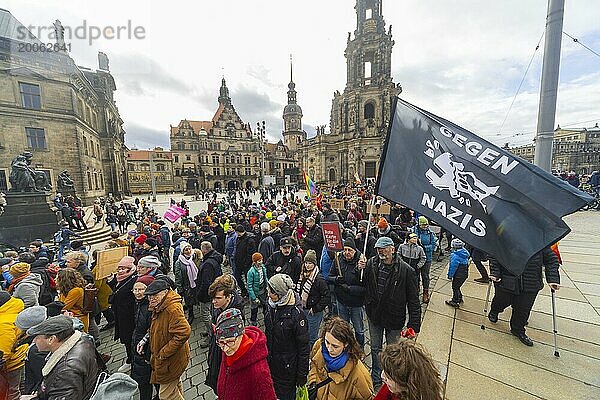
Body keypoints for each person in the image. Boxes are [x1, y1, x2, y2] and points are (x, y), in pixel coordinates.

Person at [360, 236, 421, 387]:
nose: (380, 251)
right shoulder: (371, 263)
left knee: (392, 352)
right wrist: (359, 268)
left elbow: (413, 300)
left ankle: (390, 377)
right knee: (375, 347)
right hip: (374, 315)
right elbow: (361, 282)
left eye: (384, 248)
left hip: (394, 318)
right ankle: (376, 376)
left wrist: (414, 324)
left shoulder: (406, 271)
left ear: (393, 249)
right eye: (378, 249)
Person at [488, 246, 560, 346]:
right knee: (501, 301)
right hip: (506, 280)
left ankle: (518, 330)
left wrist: (553, 279)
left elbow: (552, 260)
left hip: (530, 283)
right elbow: (494, 254)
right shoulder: (505, 237)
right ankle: (495, 310)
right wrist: (495, 272)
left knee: (523, 309)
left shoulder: (538, 242)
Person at [26, 315, 100, 400]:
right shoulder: (82, 339)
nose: (34, 341)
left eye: (37, 337)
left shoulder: (65, 370)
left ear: (51, 339)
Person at [215, 308, 277, 400]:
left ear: (241, 334)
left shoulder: (259, 372)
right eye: (221, 342)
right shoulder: (229, 350)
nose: (225, 349)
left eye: (230, 342)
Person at [265, 273, 310, 400]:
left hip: (287, 369)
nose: (268, 294)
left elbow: (304, 348)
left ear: (280, 294)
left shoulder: (297, 315)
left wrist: (302, 375)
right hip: (272, 362)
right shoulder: (270, 305)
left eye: (271, 292)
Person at [308, 316, 373, 400]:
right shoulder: (319, 345)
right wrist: (312, 381)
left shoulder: (359, 374)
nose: (329, 349)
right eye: (327, 342)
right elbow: (314, 364)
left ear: (345, 344)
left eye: (335, 346)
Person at [146, 279, 191, 400]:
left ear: (165, 292)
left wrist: (163, 353)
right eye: (149, 296)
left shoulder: (172, 309)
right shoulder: (160, 305)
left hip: (170, 359)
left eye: (155, 295)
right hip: (170, 360)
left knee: (165, 395)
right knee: (175, 385)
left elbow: (184, 332)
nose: (151, 299)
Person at [206, 274, 246, 393]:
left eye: (218, 298)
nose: (213, 301)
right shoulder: (217, 305)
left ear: (228, 297)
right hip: (216, 346)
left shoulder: (236, 312)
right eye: (213, 298)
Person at [328, 238, 367, 347]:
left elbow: (365, 287)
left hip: (356, 303)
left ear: (355, 250)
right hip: (342, 302)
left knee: (358, 329)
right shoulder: (338, 259)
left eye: (350, 250)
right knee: (343, 328)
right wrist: (336, 279)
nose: (347, 253)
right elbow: (329, 277)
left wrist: (349, 289)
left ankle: (360, 348)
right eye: (345, 250)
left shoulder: (361, 262)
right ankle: (345, 346)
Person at [374, 340, 443, 400]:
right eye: (384, 370)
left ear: (406, 383)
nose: (382, 376)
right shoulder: (393, 385)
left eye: (388, 377)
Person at [108, 256, 138, 373]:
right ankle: (131, 358)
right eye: (119, 268)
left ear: (130, 269)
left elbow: (121, 293)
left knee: (129, 337)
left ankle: (132, 360)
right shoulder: (120, 279)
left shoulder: (133, 279)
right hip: (120, 314)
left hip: (129, 315)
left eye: (124, 268)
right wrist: (111, 281)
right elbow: (117, 291)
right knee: (126, 338)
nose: (120, 271)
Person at [295, 249, 329, 348]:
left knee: (312, 337)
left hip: (313, 312)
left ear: (314, 264)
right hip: (303, 309)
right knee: (304, 333)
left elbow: (326, 296)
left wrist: (316, 308)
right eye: (306, 263)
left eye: (310, 263)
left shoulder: (319, 279)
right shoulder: (302, 275)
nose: (307, 265)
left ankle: (312, 355)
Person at [131, 275, 156, 400]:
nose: (137, 293)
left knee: (146, 382)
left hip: (146, 350)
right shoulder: (139, 304)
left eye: (141, 289)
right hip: (138, 347)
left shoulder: (150, 307)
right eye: (135, 289)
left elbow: (152, 329)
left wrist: (143, 341)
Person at [0, 291, 26, 400]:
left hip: (11, 365)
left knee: (10, 392)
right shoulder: (15, 310)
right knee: (20, 387)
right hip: (21, 356)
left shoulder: (3, 323)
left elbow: (3, 352)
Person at [197, 241, 223, 346]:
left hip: (207, 294)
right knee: (211, 313)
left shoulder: (208, 263)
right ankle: (210, 331)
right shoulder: (215, 256)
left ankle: (211, 334)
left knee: (206, 314)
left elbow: (206, 282)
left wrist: (199, 294)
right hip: (214, 290)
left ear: (204, 250)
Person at [57, 268, 89, 332]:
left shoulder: (75, 291)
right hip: (74, 317)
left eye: (57, 278)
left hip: (78, 318)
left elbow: (64, 306)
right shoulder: (70, 289)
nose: (55, 280)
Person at [414, 216, 437, 303]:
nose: (425, 226)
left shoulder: (430, 233)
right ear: (419, 224)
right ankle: (416, 290)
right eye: (423, 225)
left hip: (427, 258)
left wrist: (424, 247)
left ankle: (425, 292)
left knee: (425, 275)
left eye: (426, 225)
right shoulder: (414, 231)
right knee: (415, 275)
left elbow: (433, 245)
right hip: (416, 257)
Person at [174, 241, 199, 323]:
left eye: (189, 249)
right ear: (182, 251)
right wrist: (179, 288)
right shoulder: (179, 262)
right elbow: (178, 276)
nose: (188, 251)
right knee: (188, 301)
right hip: (186, 284)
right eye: (186, 250)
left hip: (196, 283)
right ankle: (191, 314)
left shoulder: (195, 258)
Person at [445, 239, 470, 308]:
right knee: (457, 287)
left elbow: (453, 267)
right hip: (464, 274)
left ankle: (455, 301)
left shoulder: (455, 256)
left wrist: (450, 276)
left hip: (458, 275)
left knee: (455, 287)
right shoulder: (464, 252)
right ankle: (460, 297)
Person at [233, 225, 257, 297]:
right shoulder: (238, 238)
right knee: (237, 277)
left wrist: (246, 263)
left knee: (248, 280)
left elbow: (250, 253)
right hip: (238, 262)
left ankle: (250, 293)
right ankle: (244, 291)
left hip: (246, 264)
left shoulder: (250, 240)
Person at [247, 253, 268, 326]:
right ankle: (253, 320)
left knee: (265, 305)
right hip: (255, 292)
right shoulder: (251, 272)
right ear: (254, 262)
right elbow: (249, 286)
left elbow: (265, 278)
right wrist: (253, 297)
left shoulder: (263, 267)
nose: (261, 262)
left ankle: (266, 317)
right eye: (259, 261)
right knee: (254, 308)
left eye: (261, 260)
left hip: (262, 290)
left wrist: (267, 286)